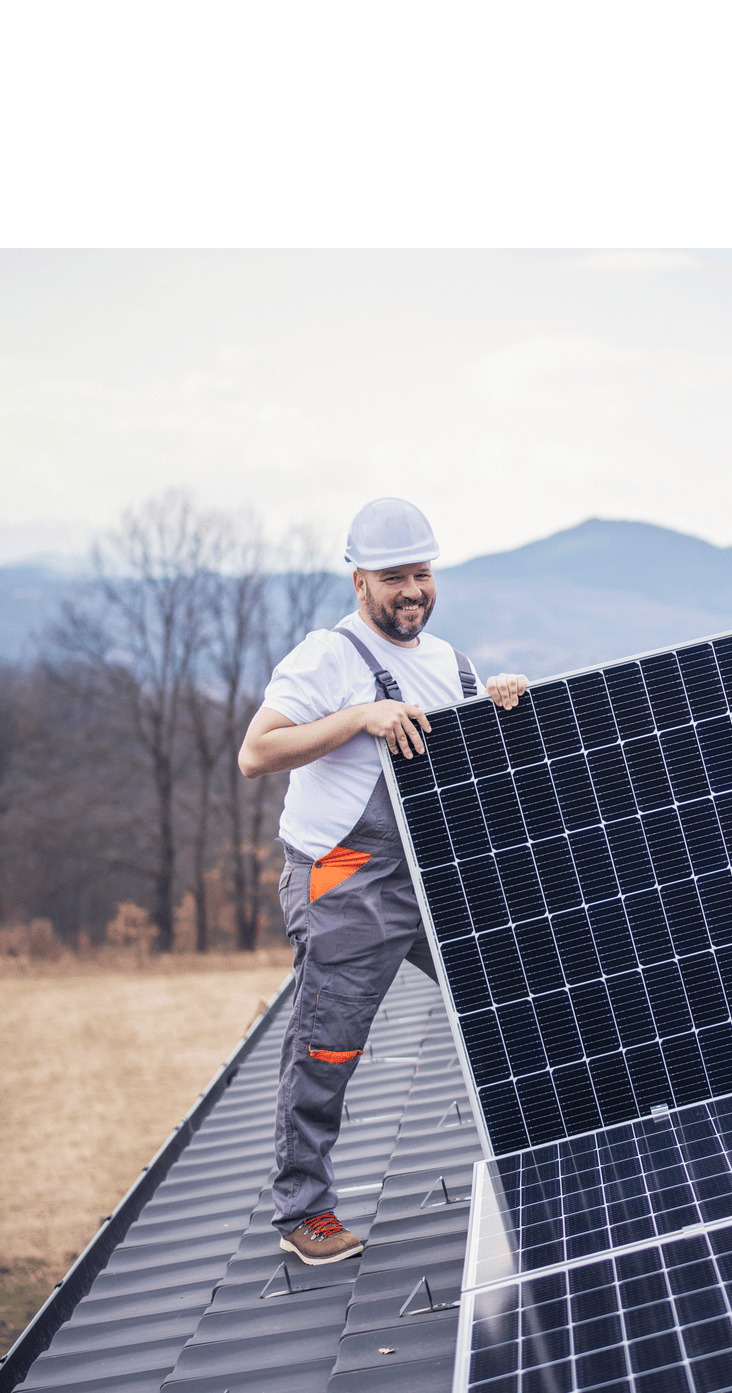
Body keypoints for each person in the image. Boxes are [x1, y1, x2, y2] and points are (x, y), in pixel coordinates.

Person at [238, 497, 528, 1267]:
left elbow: (471, 772)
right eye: (395, 576)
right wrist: (360, 716)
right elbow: (257, 752)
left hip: (432, 869)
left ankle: (543, 1144)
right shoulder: (326, 657)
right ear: (360, 580)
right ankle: (304, 1209)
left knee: (512, 997)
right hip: (344, 870)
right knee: (327, 1042)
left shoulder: (450, 662)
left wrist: (499, 702)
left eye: (423, 574)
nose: (412, 590)